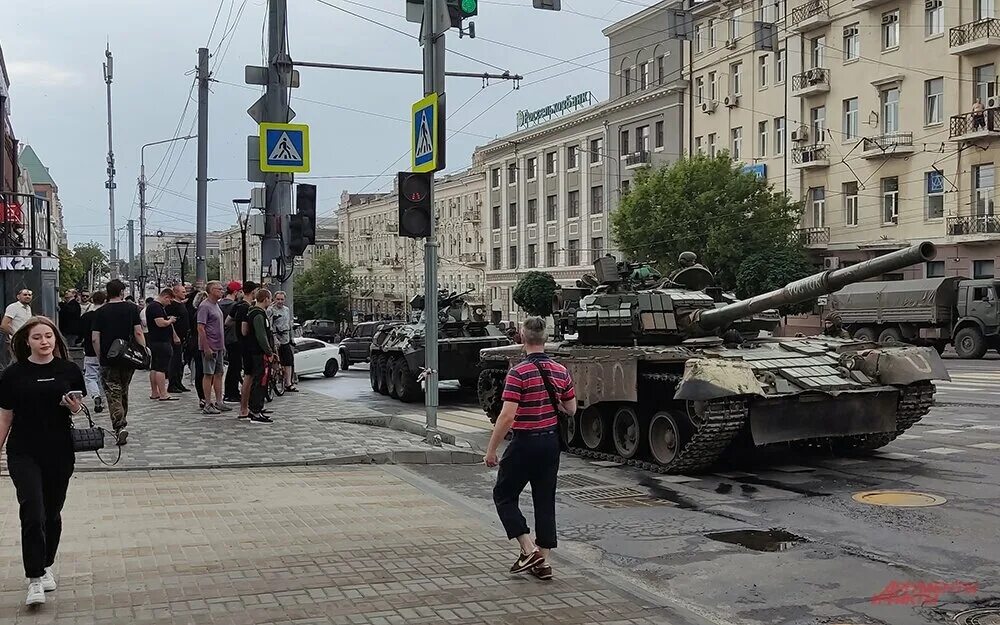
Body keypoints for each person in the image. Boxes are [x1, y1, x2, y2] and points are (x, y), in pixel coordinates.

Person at [0, 316, 85, 606]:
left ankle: (45, 563)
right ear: (26, 341)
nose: (44, 342)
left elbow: (77, 408)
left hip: (59, 451)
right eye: (37, 337)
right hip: (23, 451)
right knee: (32, 511)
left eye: (48, 336)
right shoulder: (13, 375)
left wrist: (74, 408)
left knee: (51, 512)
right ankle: (34, 578)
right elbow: (5, 415)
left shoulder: (69, 370)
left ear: (55, 339)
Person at [485, 316, 575, 582]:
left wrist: (491, 450)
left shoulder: (518, 372)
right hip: (550, 443)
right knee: (545, 500)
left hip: (525, 442)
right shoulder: (561, 370)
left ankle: (527, 548)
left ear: (522, 337)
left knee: (503, 494)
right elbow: (570, 409)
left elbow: (507, 416)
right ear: (545, 338)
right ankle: (544, 562)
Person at [92, 279, 145, 445]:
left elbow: (95, 338)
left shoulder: (100, 312)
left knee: (112, 391)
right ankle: (122, 421)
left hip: (109, 358)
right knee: (123, 390)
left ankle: (119, 425)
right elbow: (138, 332)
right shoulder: (131, 308)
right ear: (122, 292)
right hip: (128, 357)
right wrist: (143, 351)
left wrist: (101, 356)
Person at [197, 281, 230, 415]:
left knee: (219, 373)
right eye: (218, 289)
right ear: (211, 290)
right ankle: (207, 403)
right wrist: (206, 347)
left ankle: (219, 401)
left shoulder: (216, 305)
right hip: (209, 345)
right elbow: (200, 327)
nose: (221, 291)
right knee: (208, 374)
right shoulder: (205, 306)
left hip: (219, 345)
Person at [245, 289, 274, 424]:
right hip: (259, 353)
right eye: (270, 298)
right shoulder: (258, 314)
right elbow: (261, 336)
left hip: (254, 351)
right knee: (260, 381)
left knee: (260, 380)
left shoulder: (253, 312)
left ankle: (256, 408)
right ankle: (255, 410)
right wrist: (269, 351)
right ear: (266, 299)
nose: (271, 301)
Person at [145, 289, 179, 402]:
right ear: (166, 297)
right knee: (161, 368)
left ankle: (155, 392)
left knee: (154, 367)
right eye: (169, 300)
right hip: (161, 341)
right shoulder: (156, 307)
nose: (169, 303)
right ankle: (163, 393)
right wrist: (170, 321)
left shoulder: (152, 306)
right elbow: (160, 323)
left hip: (155, 341)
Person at [234, 281, 259, 417]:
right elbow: (244, 330)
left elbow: (228, 321)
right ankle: (244, 408)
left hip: (241, 344)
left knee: (249, 376)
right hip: (247, 345)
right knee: (249, 376)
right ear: (253, 291)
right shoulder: (246, 308)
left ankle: (246, 407)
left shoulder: (238, 306)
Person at [79, 291, 106, 413]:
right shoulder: (106, 315)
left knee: (90, 376)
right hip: (105, 350)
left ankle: (96, 395)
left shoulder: (85, 316)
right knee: (103, 376)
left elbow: (80, 333)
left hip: (89, 350)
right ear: (105, 300)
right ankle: (103, 399)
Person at [267, 291, 297, 392]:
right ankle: (275, 379)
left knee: (288, 360)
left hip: (285, 338)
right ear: (274, 299)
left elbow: (289, 325)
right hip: (275, 338)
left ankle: (288, 383)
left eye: (282, 299)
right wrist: (274, 339)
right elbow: (269, 326)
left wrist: (291, 338)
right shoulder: (270, 310)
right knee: (275, 360)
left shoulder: (286, 310)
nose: (280, 301)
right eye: (278, 299)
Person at [166, 284, 191, 394]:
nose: (184, 294)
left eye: (185, 291)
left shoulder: (181, 304)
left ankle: (178, 382)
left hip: (183, 336)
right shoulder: (172, 305)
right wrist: (174, 335)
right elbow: (170, 321)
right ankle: (172, 384)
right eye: (182, 292)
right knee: (175, 361)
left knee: (181, 361)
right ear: (175, 293)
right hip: (175, 337)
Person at [220, 281, 242, 402]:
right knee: (235, 366)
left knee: (232, 366)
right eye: (240, 291)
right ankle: (231, 392)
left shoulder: (219, 305)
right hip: (234, 338)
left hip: (222, 338)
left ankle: (230, 392)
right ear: (235, 292)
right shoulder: (235, 306)